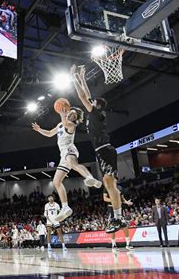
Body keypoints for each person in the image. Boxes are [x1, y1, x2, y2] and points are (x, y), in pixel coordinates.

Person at [71, 65, 126, 233]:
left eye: (93, 102)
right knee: (109, 184)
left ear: (97, 105)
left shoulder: (97, 113)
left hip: (105, 151)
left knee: (109, 183)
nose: (90, 101)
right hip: (102, 152)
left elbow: (82, 97)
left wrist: (73, 78)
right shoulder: (95, 114)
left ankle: (118, 218)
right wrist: (81, 77)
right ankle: (118, 218)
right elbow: (87, 95)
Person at [32, 106, 102, 223]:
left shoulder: (71, 125)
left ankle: (90, 178)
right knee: (56, 182)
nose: (70, 115)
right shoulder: (61, 124)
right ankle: (65, 207)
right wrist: (39, 129)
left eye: (73, 115)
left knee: (73, 163)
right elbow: (49, 133)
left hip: (70, 150)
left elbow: (65, 121)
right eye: (70, 113)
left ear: (76, 119)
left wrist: (61, 112)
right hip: (63, 155)